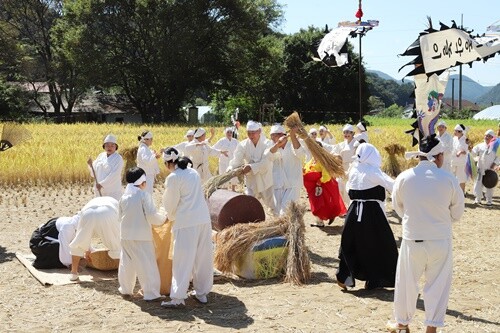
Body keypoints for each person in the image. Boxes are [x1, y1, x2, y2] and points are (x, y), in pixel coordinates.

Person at [388, 135, 464, 333]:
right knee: (438, 285)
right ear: (438, 156)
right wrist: (441, 220)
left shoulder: (404, 178)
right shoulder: (449, 179)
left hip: (413, 238)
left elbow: (398, 206)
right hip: (440, 239)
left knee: (406, 283)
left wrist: (414, 220)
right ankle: (431, 328)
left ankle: (403, 324)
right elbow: (457, 212)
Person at [336, 143, 398, 290]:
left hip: (353, 212)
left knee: (350, 243)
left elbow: (348, 189)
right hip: (372, 213)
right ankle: (376, 279)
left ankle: (345, 277)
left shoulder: (353, 169)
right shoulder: (372, 171)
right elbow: (393, 186)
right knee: (380, 244)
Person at [160, 148, 213, 308]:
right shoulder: (193, 173)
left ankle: (177, 297)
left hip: (186, 222)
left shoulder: (173, 178)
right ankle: (202, 293)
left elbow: (170, 203)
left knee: (182, 259)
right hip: (203, 219)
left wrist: (169, 216)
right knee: (203, 257)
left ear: (168, 163)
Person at [118, 167, 166, 301]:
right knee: (146, 264)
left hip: (125, 235)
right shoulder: (144, 195)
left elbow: (119, 216)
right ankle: (151, 293)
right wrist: (164, 217)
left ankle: (126, 289)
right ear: (143, 181)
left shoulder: (124, 197)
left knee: (126, 263)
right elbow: (151, 216)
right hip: (141, 236)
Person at [68, 196, 122, 281]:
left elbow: (85, 235)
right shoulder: (116, 203)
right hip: (108, 212)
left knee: (79, 241)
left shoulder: (93, 201)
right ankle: (121, 274)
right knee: (117, 244)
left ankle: (74, 273)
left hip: (88, 212)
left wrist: (87, 249)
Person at [227, 121, 275, 214]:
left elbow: (265, 163)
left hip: (266, 180)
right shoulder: (243, 145)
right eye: (249, 133)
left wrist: (251, 167)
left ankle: (280, 225)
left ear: (259, 131)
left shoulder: (268, 144)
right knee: (249, 204)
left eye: (253, 133)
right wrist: (230, 169)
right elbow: (236, 160)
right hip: (251, 180)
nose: (251, 135)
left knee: (273, 205)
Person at [303, 141, 346, 227]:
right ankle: (320, 221)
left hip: (322, 185)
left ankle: (324, 218)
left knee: (322, 203)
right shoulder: (312, 160)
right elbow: (307, 168)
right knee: (316, 202)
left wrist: (320, 180)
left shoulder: (322, 160)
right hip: (314, 185)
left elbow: (326, 175)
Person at [269, 124, 306, 216]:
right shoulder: (272, 147)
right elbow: (268, 156)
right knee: (276, 213)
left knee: (285, 213)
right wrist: (278, 144)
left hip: (292, 184)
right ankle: (282, 230)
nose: (273, 138)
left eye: (275, 135)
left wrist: (293, 136)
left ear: (283, 135)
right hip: (277, 184)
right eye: (271, 135)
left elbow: (300, 154)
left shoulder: (293, 144)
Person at [87, 133, 124, 201]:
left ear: (116, 147)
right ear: (104, 146)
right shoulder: (101, 156)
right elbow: (93, 173)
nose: (109, 147)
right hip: (99, 190)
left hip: (112, 191)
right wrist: (90, 165)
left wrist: (102, 184)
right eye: (107, 145)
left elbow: (114, 175)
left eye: (112, 145)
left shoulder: (118, 158)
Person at [470, 129, 499, 206]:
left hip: (490, 169)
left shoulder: (495, 147)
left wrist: (495, 164)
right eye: (486, 135)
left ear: (492, 138)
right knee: (478, 184)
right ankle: (477, 199)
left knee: (490, 184)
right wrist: (470, 149)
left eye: (489, 136)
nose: (487, 137)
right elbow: (473, 154)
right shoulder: (479, 146)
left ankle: (489, 201)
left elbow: (498, 157)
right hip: (480, 168)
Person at [332, 124, 357, 207]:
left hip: (352, 169)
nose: (346, 134)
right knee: (339, 188)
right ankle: (342, 207)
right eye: (344, 132)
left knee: (349, 189)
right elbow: (333, 151)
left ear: (353, 133)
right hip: (341, 168)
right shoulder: (342, 144)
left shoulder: (356, 144)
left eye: (348, 132)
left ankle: (350, 206)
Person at [136, 130, 163, 195]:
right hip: (146, 175)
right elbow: (147, 161)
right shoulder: (143, 148)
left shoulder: (144, 148)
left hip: (146, 174)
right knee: (147, 195)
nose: (152, 140)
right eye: (151, 139)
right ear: (146, 140)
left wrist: (153, 154)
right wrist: (155, 156)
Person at [450, 124, 469, 193]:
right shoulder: (453, 139)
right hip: (453, 161)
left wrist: (460, 152)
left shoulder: (465, 140)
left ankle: (462, 193)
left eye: (457, 131)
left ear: (461, 132)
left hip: (461, 162)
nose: (455, 132)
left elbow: (466, 151)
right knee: (451, 177)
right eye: (455, 131)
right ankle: (453, 192)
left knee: (461, 178)